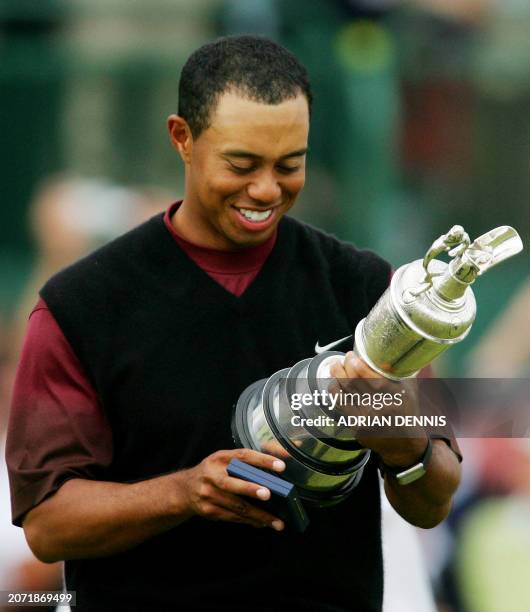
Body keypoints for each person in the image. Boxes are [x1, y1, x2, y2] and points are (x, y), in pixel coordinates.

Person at [6, 36, 461, 611]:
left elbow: (436, 497)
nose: (267, 189)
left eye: (289, 164)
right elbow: (47, 526)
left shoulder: (370, 290)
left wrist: (404, 443)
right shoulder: (80, 307)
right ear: (182, 139)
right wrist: (184, 493)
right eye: (241, 164)